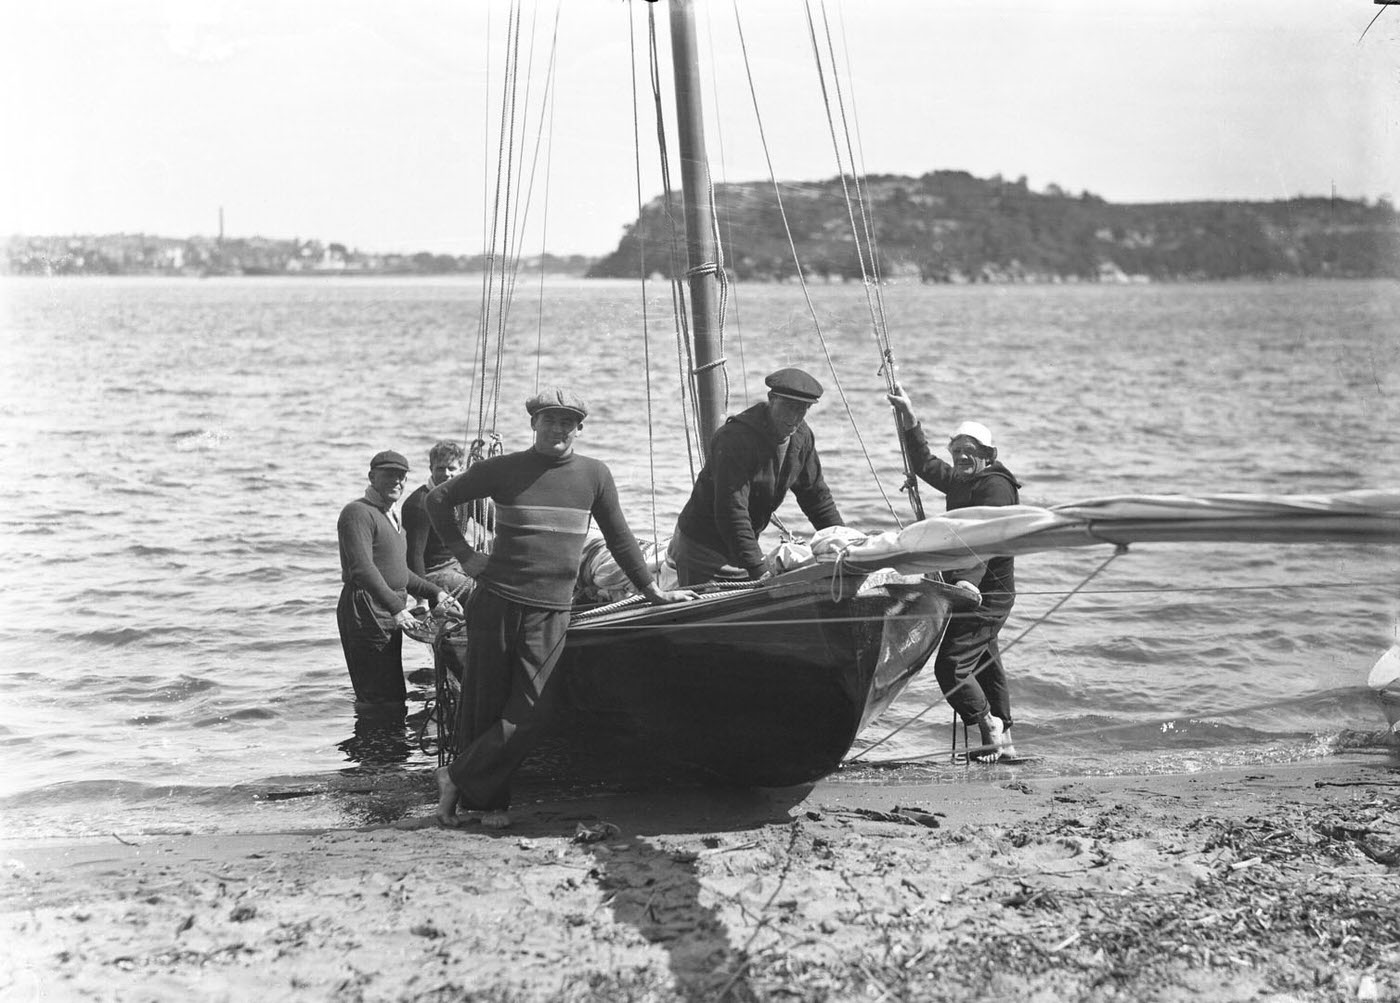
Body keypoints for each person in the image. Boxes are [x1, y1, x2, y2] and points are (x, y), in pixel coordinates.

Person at [427, 388, 696, 829]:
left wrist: (652, 592)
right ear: (533, 423)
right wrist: (467, 556)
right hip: (496, 601)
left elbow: (620, 539)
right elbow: (436, 500)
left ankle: (453, 776)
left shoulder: (595, 475)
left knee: (533, 712)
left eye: (567, 422)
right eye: (549, 420)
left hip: (552, 610)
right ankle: (489, 805)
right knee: (485, 704)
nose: (558, 428)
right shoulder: (503, 468)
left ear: (579, 428)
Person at [886, 384, 1023, 762]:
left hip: (984, 593)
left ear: (988, 456)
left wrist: (968, 581)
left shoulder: (995, 487)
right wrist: (909, 415)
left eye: (970, 452)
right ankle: (1004, 739)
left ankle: (987, 725)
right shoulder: (964, 480)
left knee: (951, 667)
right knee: (984, 661)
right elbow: (924, 463)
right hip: (965, 589)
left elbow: (988, 542)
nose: (962, 457)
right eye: (957, 451)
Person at [670, 367, 844, 586]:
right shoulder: (734, 439)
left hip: (741, 548)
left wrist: (846, 546)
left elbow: (817, 499)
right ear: (771, 399)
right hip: (701, 550)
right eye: (788, 407)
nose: (794, 418)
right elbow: (731, 509)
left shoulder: (801, 437)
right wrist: (757, 567)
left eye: (802, 409)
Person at [336, 450, 463, 707]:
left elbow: (398, 571)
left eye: (402, 476)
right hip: (366, 606)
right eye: (389, 475)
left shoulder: (390, 516)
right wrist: (397, 609)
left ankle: (390, 743)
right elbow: (361, 568)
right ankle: (374, 744)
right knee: (377, 694)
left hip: (386, 605)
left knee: (393, 691)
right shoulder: (357, 513)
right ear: (372, 476)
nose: (397, 482)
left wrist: (435, 592)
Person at [402, 439, 476, 598]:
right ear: (431, 469)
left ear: (461, 469)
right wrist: (422, 599)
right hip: (434, 573)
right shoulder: (419, 504)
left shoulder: (465, 497)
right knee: (483, 592)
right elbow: (414, 557)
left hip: (458, 563)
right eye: (440, 468)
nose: (446, 474)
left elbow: (498, 525)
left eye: (451, 468)